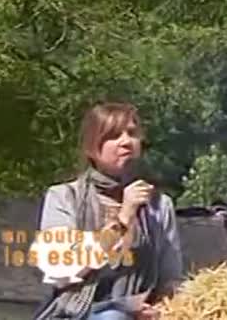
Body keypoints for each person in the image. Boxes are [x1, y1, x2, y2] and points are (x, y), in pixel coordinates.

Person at [32, 102, 184, 320]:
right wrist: (124, 217)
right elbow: (62, 270)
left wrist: (162, 308)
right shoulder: (64, 196)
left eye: (132, 134)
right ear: (91, 148)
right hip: (77, 312)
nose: (126, 142)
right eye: (113, 136)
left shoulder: (159, 205)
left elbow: (170, 276)